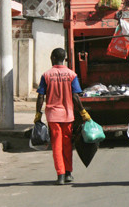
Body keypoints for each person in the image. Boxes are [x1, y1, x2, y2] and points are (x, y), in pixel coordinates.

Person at [35, 48, 91, 185]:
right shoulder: (71, 75)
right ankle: (68, 173)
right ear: (64, 58)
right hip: (68, 116)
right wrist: (83, 112)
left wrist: (38, 114)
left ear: (53, 58)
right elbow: (75, 96)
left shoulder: (46, 75)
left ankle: (60, 174)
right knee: (67, 145)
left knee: (56, 146)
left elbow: (41, 96)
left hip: (53, 116)